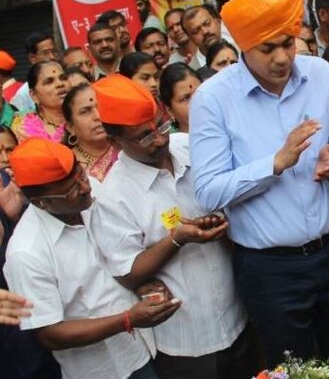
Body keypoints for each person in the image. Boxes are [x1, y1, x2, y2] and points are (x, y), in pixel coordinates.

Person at [189, 0, 329, 370]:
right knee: (295, 372)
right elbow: (209, 191)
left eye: (288, 42)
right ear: (242, 46)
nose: (283, 58)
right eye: (267, 49)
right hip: (270, 271)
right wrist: (276, 163)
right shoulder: (213, 99)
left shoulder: (319, 73)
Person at [89, 75, 254, 379]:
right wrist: (177, 239)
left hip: (239, 318)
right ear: (115, 142)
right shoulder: (113, 196)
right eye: (144, 136)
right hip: (184, 341)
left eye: (161, 126)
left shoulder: (190, 148)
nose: (160, 139)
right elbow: (127, 272)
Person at [4, 138, 181, 378]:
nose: (85, 188)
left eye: (81, 175)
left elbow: (111, 257)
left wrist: (138, 284)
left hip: (149, 345)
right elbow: (50, 334)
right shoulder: (26, 253)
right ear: (41, 202)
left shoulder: (93, 190)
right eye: (71, 190)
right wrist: (127, 320)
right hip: (105, 368)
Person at [62, 84, 119, 182]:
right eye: (85, 111)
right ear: (71, 127)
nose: (97, 116)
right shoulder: (67, 165)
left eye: (101, 107)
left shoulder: (128, 149)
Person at [11, 62, 69, 143]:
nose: (60, 84)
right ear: (34, 95)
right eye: (49, 81)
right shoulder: (23, 131)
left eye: (63, 78)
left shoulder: (83, 118)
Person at [11, 31, 59, 113]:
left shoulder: (66, 81)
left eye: (54, 51)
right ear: (32, 58)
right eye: (45, 53)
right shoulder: (23, 94)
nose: (52, 57)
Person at [181, 4, 238, 71]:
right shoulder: (192, 70)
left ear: (218, 21)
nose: (205, 32)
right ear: (189, 37)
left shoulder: (242, 51)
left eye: (207, 24)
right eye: (196, 31)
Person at [159, 63, 202, 134]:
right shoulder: (177, 141)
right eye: (186, 98)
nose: (197, 102)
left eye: (199, 93)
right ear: (169, 111)